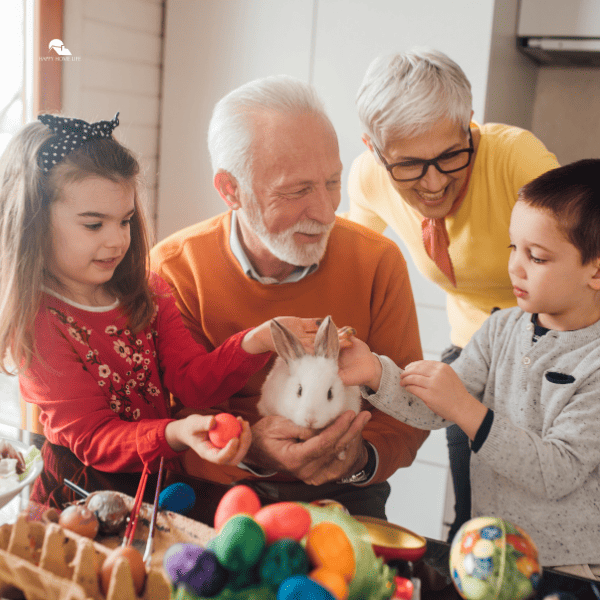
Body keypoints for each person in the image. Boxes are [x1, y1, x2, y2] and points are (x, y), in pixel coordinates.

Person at [149, 75, 428, 520]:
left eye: (332, 182)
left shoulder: (378, 261)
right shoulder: (174, 270)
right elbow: (170, 417)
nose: (324, 211)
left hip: (346, 492)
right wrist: (250, 450)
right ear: (230, 190)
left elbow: (406, 411)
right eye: (296, 191)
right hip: (217, 487)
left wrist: (357, 458)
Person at [0, 112, 319, 474]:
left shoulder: (149, 291)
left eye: (125, 220)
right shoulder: (38, 324)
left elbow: (192, 382)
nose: (118, 240)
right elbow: (94, 437)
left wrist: (259, 339)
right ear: (33, 222)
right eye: (94, 224)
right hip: (82, 498)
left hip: (158, 483)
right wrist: (175, 433)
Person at [339, 160, 600, 572]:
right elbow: (435, 407)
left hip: (567, 568)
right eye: (514, 248)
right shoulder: (499, 328)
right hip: (489, 553)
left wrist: (466, 408)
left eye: (537, 257)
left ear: (596, 270)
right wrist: (375, 371)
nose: (515, 266)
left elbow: (556, 472)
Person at [348, 47, 560, 538]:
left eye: (450, 155)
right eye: (409, 165)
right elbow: (354, 268)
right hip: (474, 352)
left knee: (547, 533)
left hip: (555, 354)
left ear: (469, 123)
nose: (434, 181)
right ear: (374, 149)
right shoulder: (368, 178)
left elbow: (579, 260)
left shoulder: (514, 157)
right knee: (478, 526)